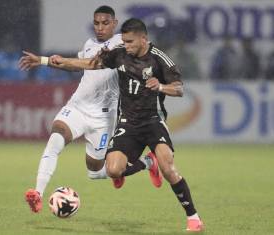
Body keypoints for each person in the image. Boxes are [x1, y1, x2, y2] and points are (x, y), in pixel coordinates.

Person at [49, 18, 204, 232]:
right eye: (124, 41)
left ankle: (193, 218)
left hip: (153, 121)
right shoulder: (120, 53)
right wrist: (61, 62)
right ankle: (149, 163)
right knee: (113, 170)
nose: (126, 45)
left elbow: (179, 89)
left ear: (143, 39)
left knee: (168, 169)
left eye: (130, 42)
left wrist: (160, 86)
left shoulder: (159, 59)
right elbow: (92, 64)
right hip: (128, 122)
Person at [19, 6, 162, 214]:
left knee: (96, 173)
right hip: (77, 106)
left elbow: (136, 56)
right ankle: (38, 194)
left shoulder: (124, 44)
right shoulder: (89, 44)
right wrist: (42, 61)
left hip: (103, 118)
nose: (100, 28)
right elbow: (78, 65)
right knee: (55, 138)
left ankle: (149, 162)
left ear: (114, 23)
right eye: (96, 23)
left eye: (105, 23)